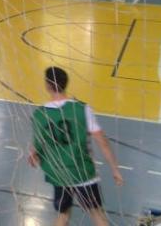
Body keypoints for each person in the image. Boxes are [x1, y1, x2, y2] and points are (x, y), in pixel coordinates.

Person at [28, 67, 123, 226]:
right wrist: (115, 169)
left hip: (59, 175)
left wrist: (33, 156)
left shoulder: (39, 114)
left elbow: (36, 148)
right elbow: (102, 142)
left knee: (63, 215)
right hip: (82, 173)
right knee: (97, 214)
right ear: (66, 83)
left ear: (47, 85)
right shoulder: (81, 109)